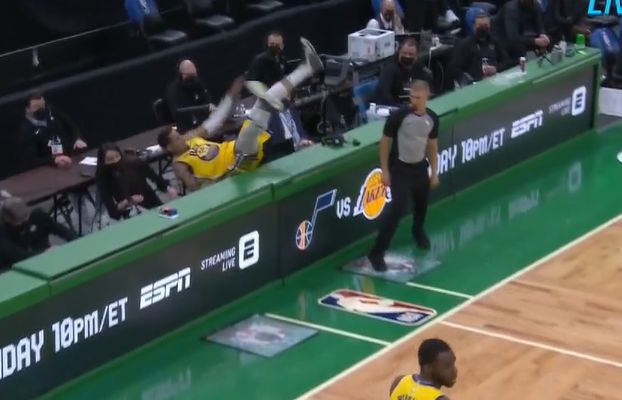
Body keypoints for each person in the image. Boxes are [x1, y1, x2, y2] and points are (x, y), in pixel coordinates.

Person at [158, 37, 324, 191]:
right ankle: (307, 70)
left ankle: (308, 68)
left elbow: (214, 122)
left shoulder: (189, 137)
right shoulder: (179, 163)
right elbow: (195, 189)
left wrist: (230, 98)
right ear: (169, 147)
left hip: (237, 149)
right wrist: (217, 183)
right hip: (235, 168)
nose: (181, 138)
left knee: (265, 100)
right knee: (263, 106)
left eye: (178, 135)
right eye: (176, 139)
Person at [368, 80, 439, 272]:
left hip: (420, 167)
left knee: (422, 204)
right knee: (396, 210)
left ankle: (418, 231)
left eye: (418, 97)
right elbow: (385, 142)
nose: (414, 100)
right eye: (412, 97)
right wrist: (385, 170)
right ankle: (377, 252)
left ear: (426, 96)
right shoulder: (399, 116)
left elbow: (432, 145)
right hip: (400, 168)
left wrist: (434, 172)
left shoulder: (432, 118)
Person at [95, 143, 178, 221]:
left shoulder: (134, 162)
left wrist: (168, 188)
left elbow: (154, 177)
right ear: (103, 162)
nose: (115, 161)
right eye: (110, 159)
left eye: (117, 156)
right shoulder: (103, 178)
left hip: (153, 203)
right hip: (131, 214)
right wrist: (127, 201)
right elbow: (112, 211)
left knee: (174, 217)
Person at [0, 194, 76, 272]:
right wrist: (45, 253)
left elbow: (64, 232)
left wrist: (75, 244)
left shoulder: (38, 216)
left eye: (26, 219)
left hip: (46, 262)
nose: (24, 224)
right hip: (13, 270)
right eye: (19, 222)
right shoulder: (2, 234)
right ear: (7, 220)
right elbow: (19, 255)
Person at [20, 92, 87, 172]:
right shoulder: (26, 131)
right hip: (46, 169)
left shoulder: (51, 112)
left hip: (67, 160)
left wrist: (78, 138)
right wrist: (54, 160)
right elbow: (30, 161)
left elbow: (71, 125)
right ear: (27, 109)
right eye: (36, 107)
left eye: (43, 106)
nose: (41, 110)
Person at [449, 11, 510, 86]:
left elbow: (506, 61)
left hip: (496, 78)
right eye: (480, 25)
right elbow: (455, 68)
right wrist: (469, 81)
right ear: (474, 26)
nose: (483, 28)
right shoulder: (463, 44)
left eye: (485, 25)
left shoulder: (495, 41)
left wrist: (496, 68)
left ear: (490, 25)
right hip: (474, 83)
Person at [389, 338, 458, 400]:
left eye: (453, 364)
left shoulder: (399, 382)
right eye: (447, 366)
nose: (455, 371)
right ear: (428, 367)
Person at [373, 39, 433, 106]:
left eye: (411, 54)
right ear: (399, 52)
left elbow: (426, 82)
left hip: (410, 102)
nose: (407, 56)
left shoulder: (418, 65)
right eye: (404, 53)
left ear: (416, 56)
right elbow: (384, 95)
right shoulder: (390, 68)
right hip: (393, 105)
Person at [166, 59, 216, 133]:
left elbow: (207, 100)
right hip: (188, 128)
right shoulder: (173, 90)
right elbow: (178, 110)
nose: (193, 79)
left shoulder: (198, 83)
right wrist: (205, 108)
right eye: (189, 75)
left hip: (205, 123)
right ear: (181, 75)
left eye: (194, 75)